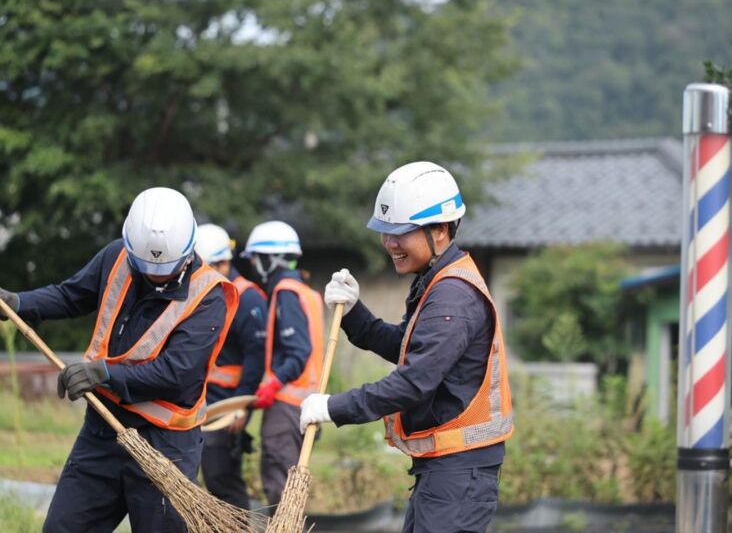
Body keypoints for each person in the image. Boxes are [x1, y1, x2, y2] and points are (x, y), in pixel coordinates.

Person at [0, 187, 237, 533]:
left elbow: (177, 373)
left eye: (165, 270)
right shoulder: (117, 257)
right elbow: (70, 296)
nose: (155, 275)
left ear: (188, 253)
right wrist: (20, 303)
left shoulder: (209, 296)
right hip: (102, 431)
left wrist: (103, 373)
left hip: (165, 446)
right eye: (146, 267)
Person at [301, 161, 514, 533]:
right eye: (385, 233)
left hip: (458, 474)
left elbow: (414, 381)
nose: (389, 244)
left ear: (441, 230)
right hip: (445, 469)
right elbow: (410, 346)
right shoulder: (438, 281)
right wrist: (356, 315)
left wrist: (333, 407)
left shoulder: (451, 297)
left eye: (400, 233)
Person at [241, 221, 323, 508]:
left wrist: (273, 383)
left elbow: (299, 352)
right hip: (305, 405)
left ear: (270, 259)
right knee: (290, 491)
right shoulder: (305, 291)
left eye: (255, 257)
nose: (251, 263)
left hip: (287, 406)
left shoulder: (286, 292)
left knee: (281, 492)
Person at [195, 223, 267, 510]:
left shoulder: (247, 298)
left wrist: (241, 406)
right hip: (203, 402)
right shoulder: (212, 292)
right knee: (206, 475)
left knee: (221, 478)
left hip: (229, 405)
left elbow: (256, 358)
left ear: (222, 262)